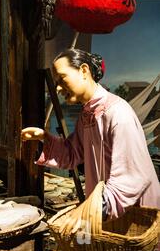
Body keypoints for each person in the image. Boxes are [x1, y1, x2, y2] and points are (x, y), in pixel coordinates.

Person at [21, 48, 160, 221]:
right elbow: (73, 153)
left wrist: (93, 210)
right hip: (106, 211)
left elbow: (132, 176)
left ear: (84, 70)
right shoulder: (88, 114)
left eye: (62, 78)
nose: (57, 88)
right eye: (56, 81)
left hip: (135, 213)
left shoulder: (118, 113)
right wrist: (43, 137)